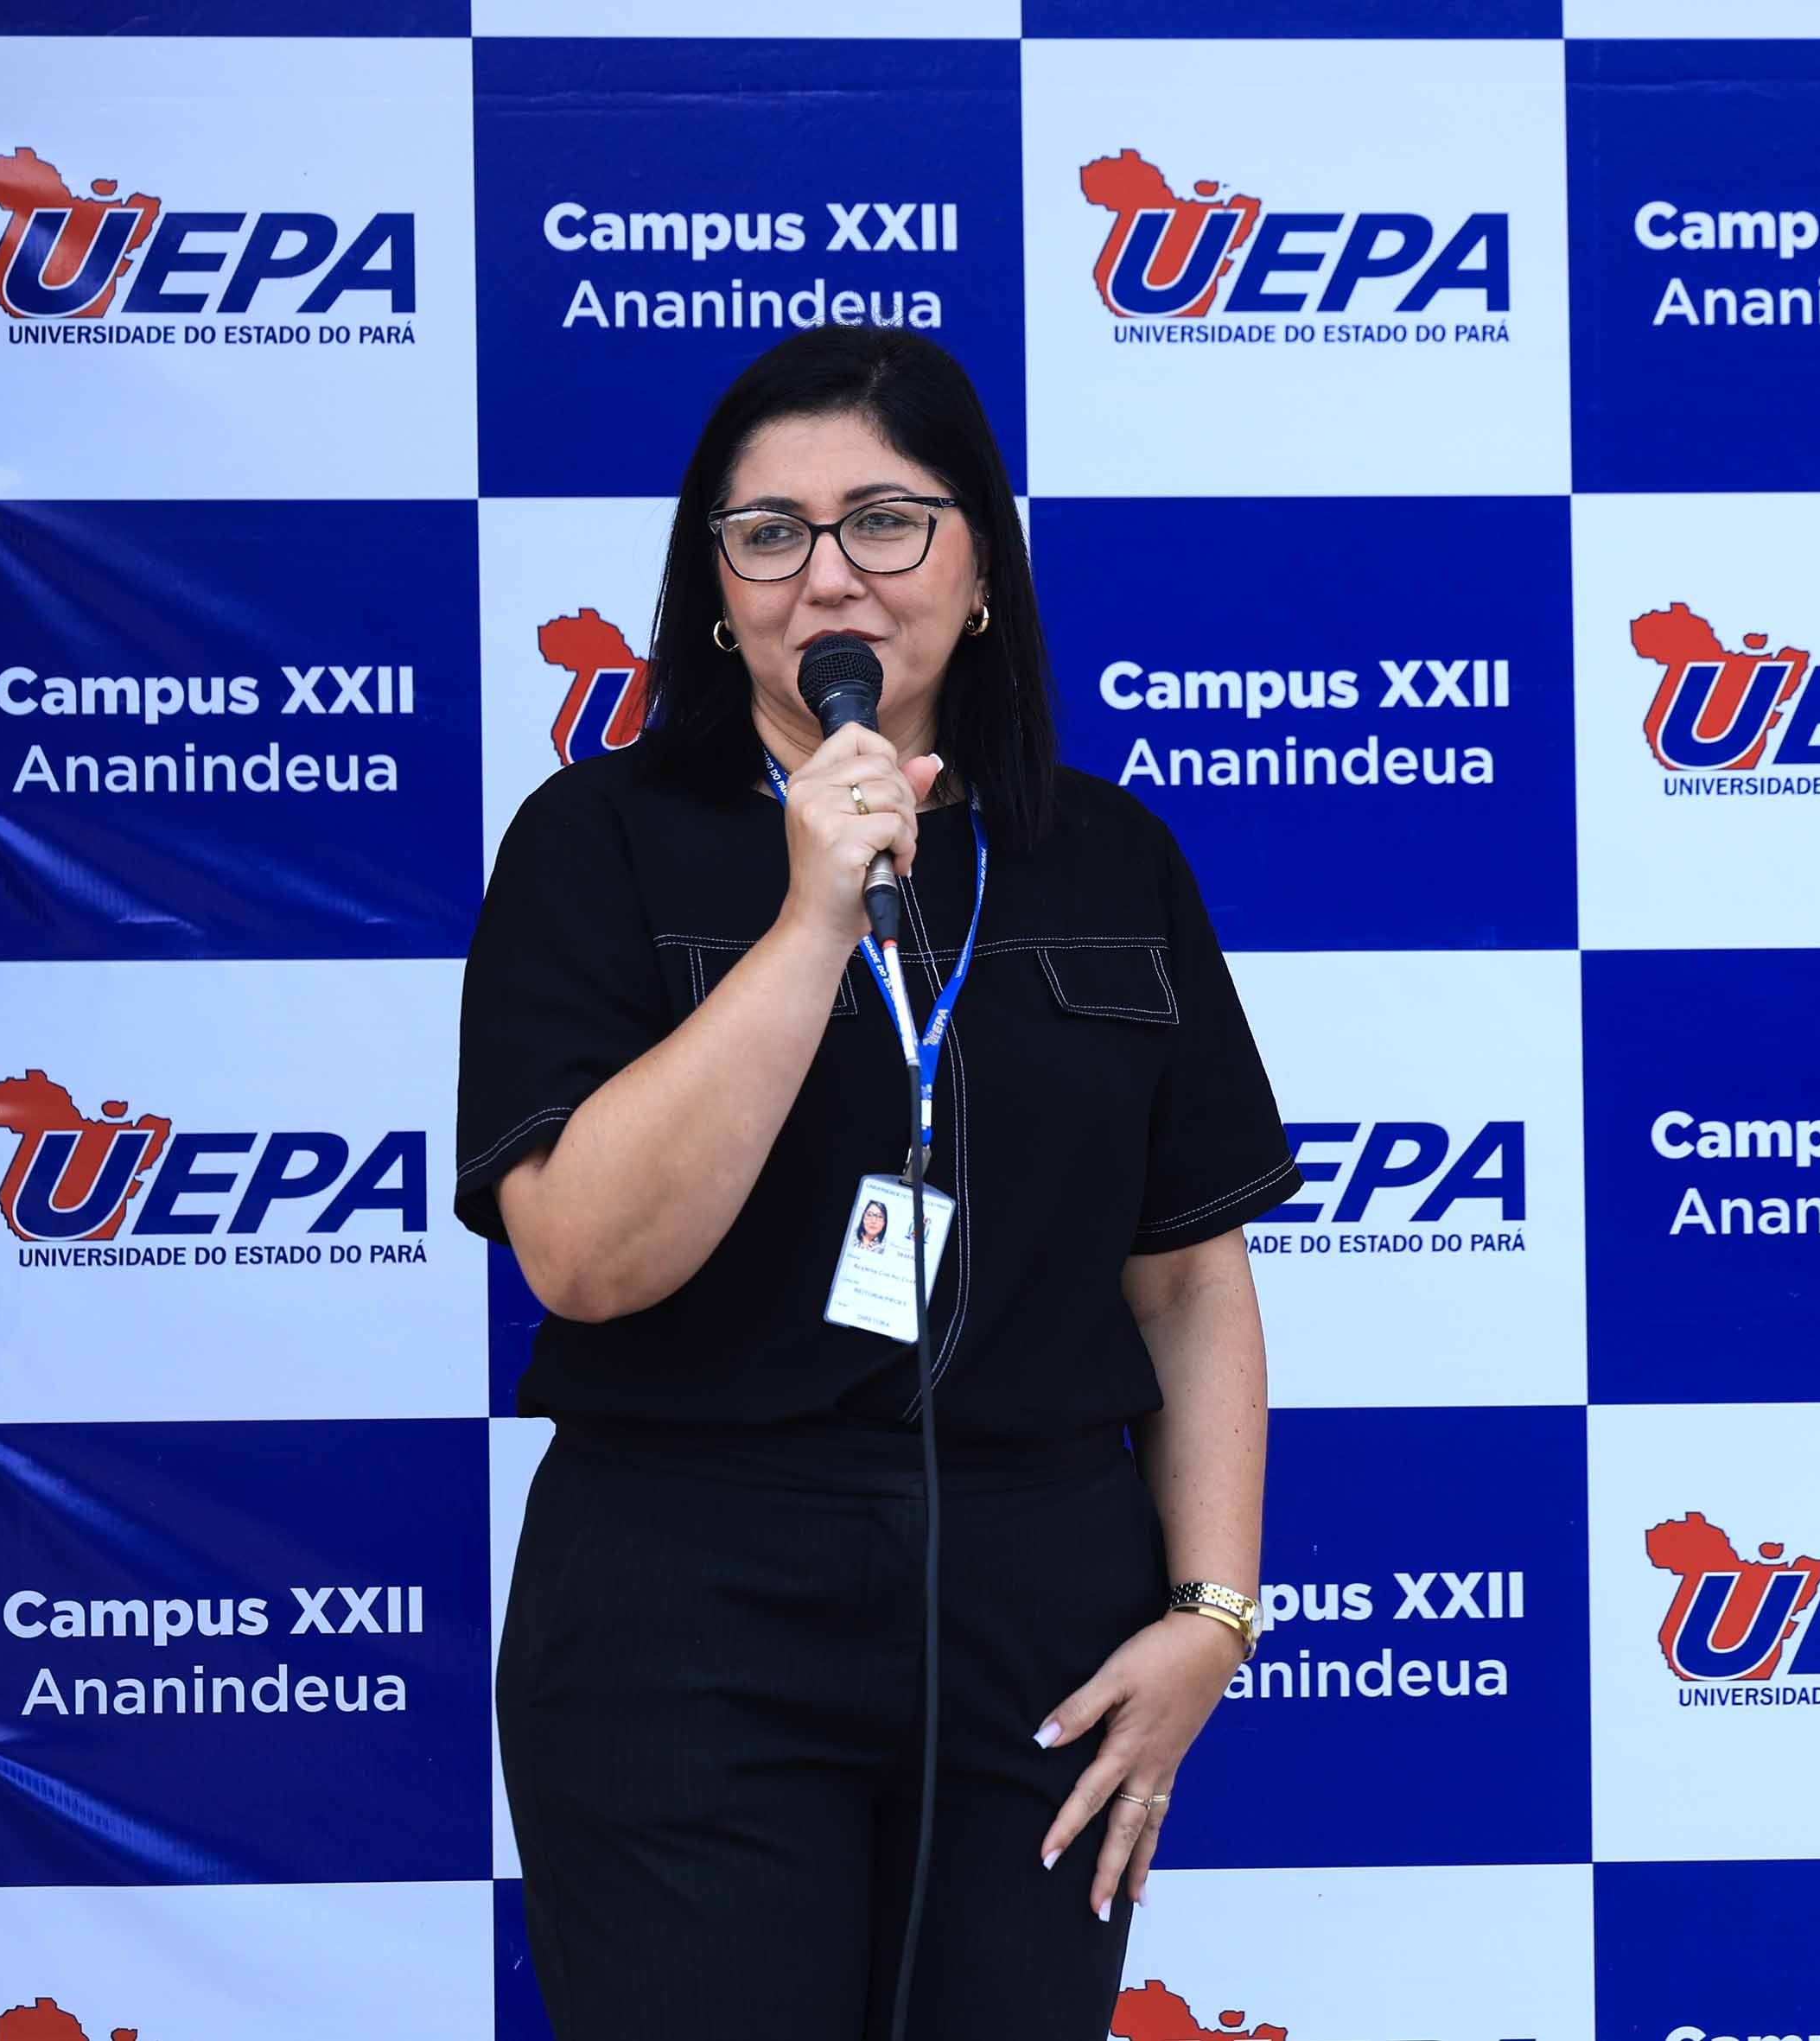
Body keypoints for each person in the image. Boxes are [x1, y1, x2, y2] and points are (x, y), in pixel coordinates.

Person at [455, 325, 1295, 2041]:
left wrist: (1211, 1609)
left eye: (885, 521)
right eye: (767, 533)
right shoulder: (595, 842)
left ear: (981, 568)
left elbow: (1187, 1279)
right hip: (689, 1591)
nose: (826, 574)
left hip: (1036, 1604)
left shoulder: (1111, 858)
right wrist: (808, 917)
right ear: (715, 593)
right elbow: (582, 1259)